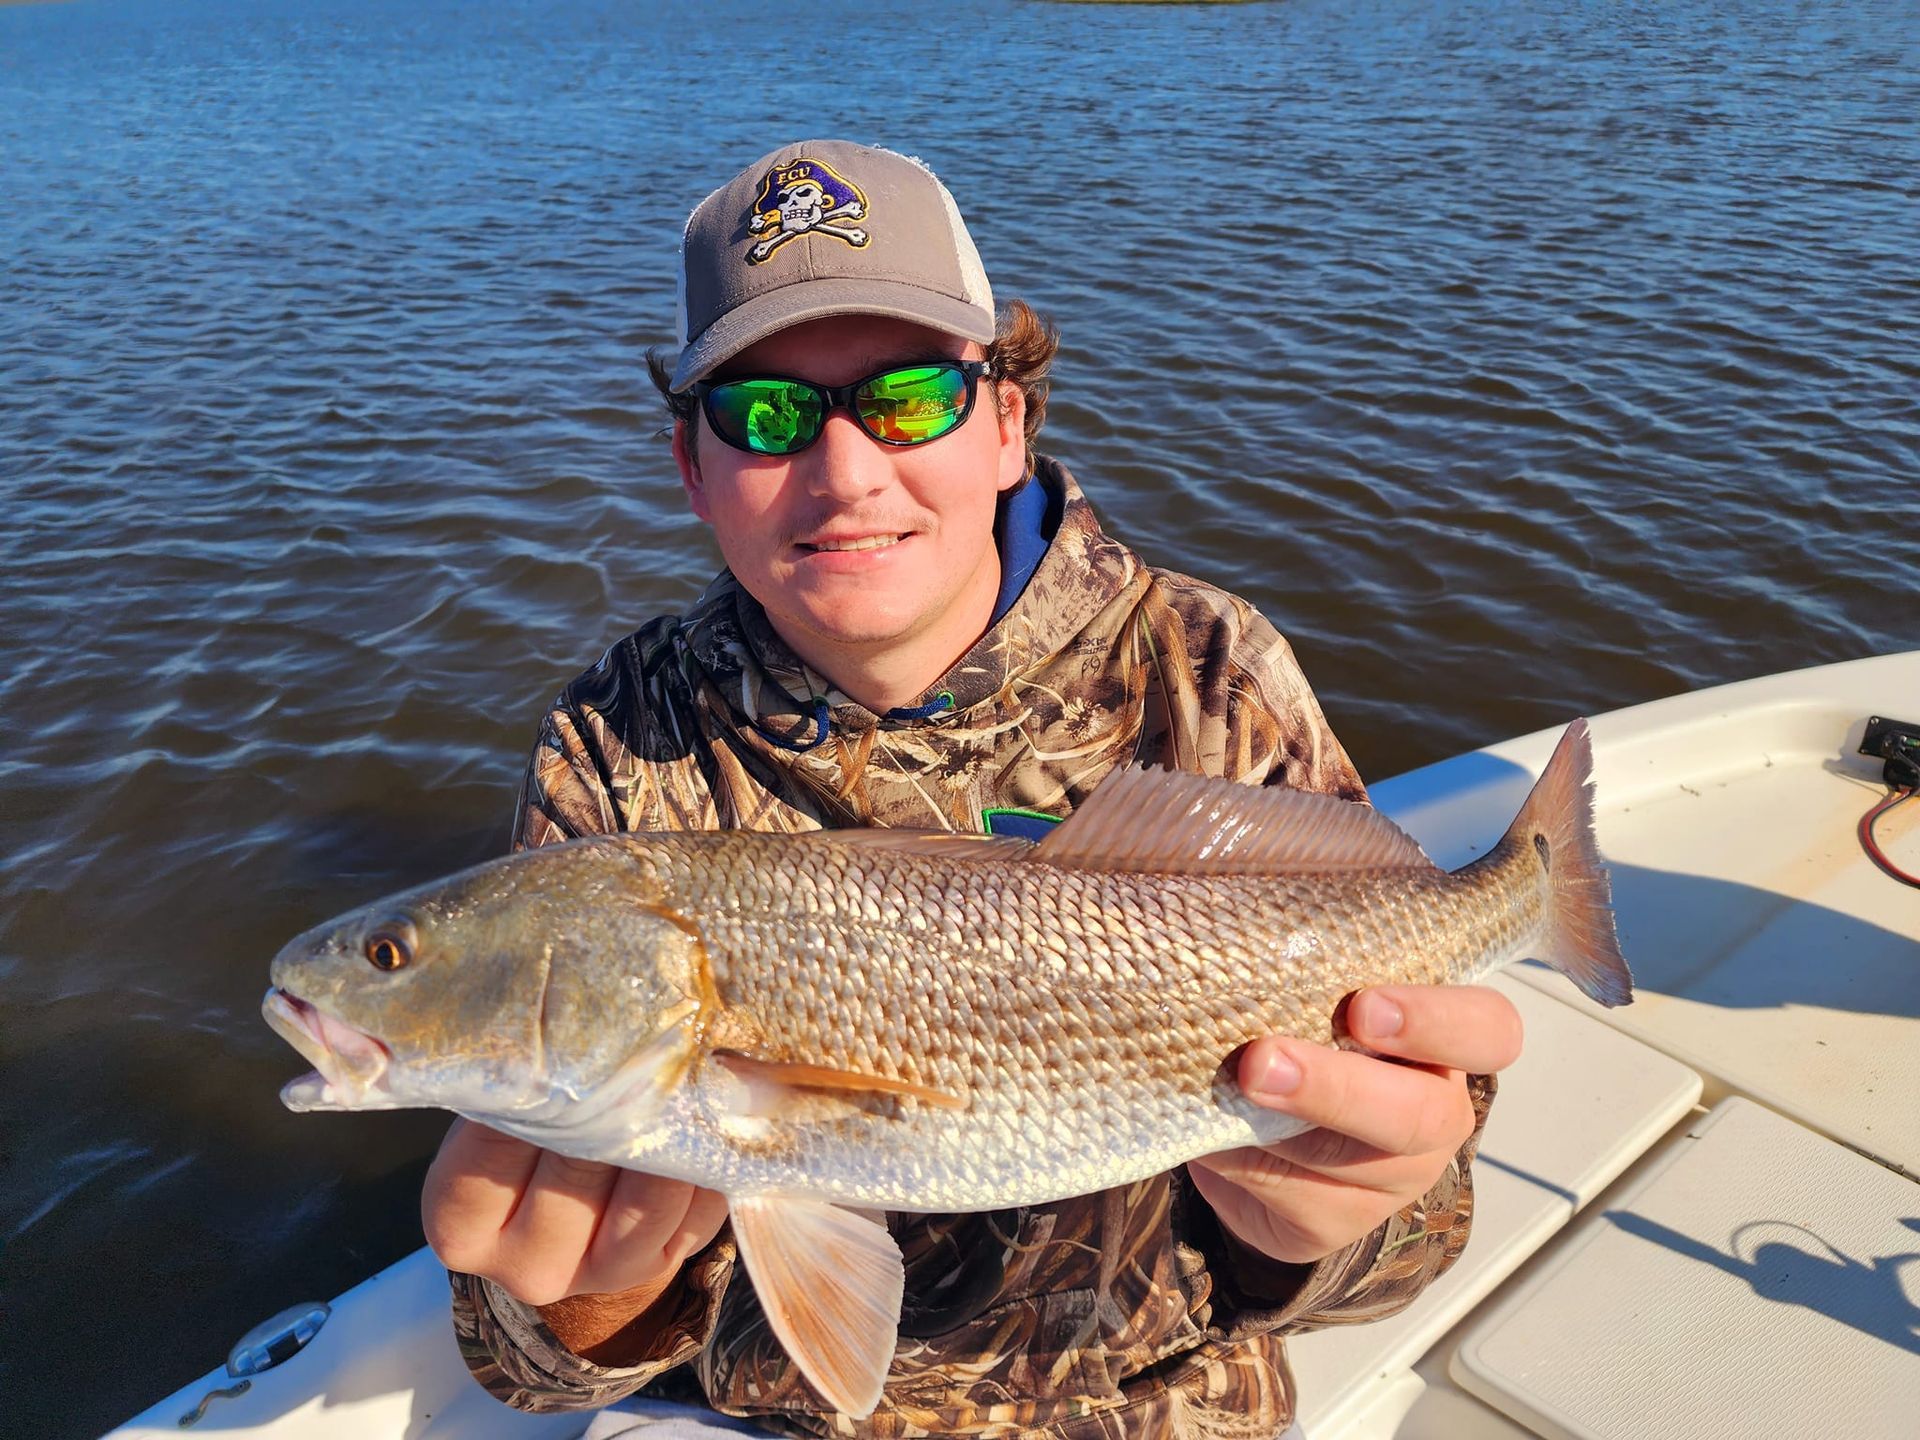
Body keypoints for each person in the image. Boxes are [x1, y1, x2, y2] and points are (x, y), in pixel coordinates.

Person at [420, 139, 1523, 1439]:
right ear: (692, 470)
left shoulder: (1208, 666)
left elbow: (1394, 1251)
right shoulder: (613, 743)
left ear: (1006, 418)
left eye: (910, 397)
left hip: (1165, 1405)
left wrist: (1346, 1215)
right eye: (765, 414)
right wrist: (580, 1311)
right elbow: (537, 1366)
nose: (844, 472)